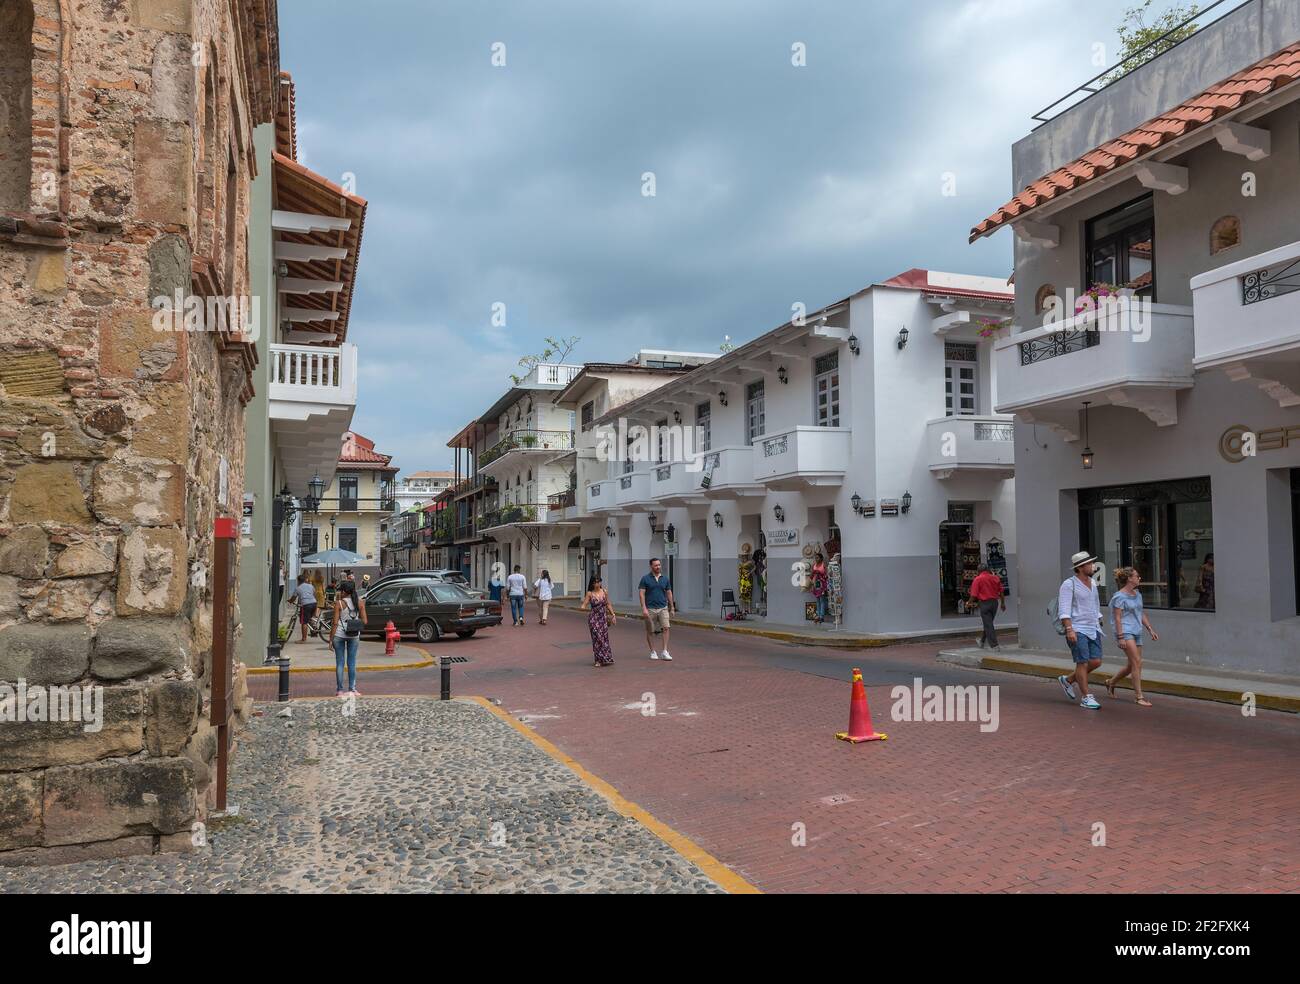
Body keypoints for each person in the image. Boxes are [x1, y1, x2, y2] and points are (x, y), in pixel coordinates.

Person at [1057, 551, 1104, 710]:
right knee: (1082, 662)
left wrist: (1098, 617)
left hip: (1093, 627)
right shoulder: (1069, 584)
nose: (1093, 566)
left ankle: (1068, 680)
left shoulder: (1092, 582)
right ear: (1081, 567)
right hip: (1077, 628)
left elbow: (1095, 604)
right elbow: (1064, 609)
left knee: (1096, 661)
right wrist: (1069, 629)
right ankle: (1086, 697)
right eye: (1090, 564)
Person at [1107, 566, 1158, 706]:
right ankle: (1139, 696)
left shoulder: (1137, 594)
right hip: (1125, 631)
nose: (1139, 578)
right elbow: (1117, 618)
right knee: (1137, 662)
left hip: (1137, 631)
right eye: (1137, 576)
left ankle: (1111, 682)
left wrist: (1150, 629)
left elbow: (1140, 613)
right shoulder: (1119, 597)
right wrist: (1121, 636)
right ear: (1129, 578)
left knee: (1132, 665)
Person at [331, 579, 367, 697]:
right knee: (352, 662)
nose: (340, 593)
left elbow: (335, 623)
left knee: (340, 663)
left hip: (339, 635)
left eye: (341, 590)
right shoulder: (360, 602)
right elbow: (365, 621)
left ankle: (340, 690)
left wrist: (330, 639)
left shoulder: (339, 603)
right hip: (354, 635)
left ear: (345, 591)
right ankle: (352, 689)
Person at [638, 558, 675, 661]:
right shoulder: (645, 579)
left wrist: (672, 607)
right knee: (650, 631)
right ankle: (653, 651)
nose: (658, 567)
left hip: (663, 607)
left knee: (666, 628)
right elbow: (641, 594)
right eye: (656, 565)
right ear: (651, 566)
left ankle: (665, 651)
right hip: (650, 609)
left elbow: (669, 593)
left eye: (659, 565)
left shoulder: (665, 579)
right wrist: (644, 608)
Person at [968, 563, 1006, 650]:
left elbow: (973, 595)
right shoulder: (995, 577)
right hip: (994, 603)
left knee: (988, 624)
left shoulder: (977, 579)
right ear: (987, 569)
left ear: (979, 571)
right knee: (988, 623)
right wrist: (1003, 603)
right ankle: (982, 642)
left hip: (984, 604)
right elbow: (1001, 592)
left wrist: (968, 603)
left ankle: (994, 645)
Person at [580, 574, 616, 666]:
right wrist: (583, 607)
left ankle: (606, 658)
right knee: (597, 638)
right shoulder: (590, 593)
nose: (598, 583)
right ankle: (598, 660)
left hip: (603, 619)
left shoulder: (604, 591)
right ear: (592, 583)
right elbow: (584, 604)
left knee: (604, 638)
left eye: (599, 581)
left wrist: (613, 614)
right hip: (593, 619)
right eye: (595, 582)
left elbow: (608, 604)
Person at [293, 573, 318, 643]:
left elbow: (293, 598)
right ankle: (314, 631)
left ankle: (303, 639)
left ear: (298, 581)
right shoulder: (311, 586)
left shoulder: (298, 588)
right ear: (305, 580)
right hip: (314, 603)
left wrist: (290, 601)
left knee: (304, 622)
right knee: (310, 618)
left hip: (306, 605)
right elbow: (314, 595)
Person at [811, 552, 829, 623]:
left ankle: (822, 616)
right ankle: (818, 616)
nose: (816, 559)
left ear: (821, 558)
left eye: (817, 558)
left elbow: (827, 575)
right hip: (816, 585)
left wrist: (820, 573)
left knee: (822, 600)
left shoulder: (823, 565)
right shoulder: (814, 565)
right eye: (815, 558)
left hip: (822, 585)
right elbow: (811, 576)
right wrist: (813, 572)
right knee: (817, 600)